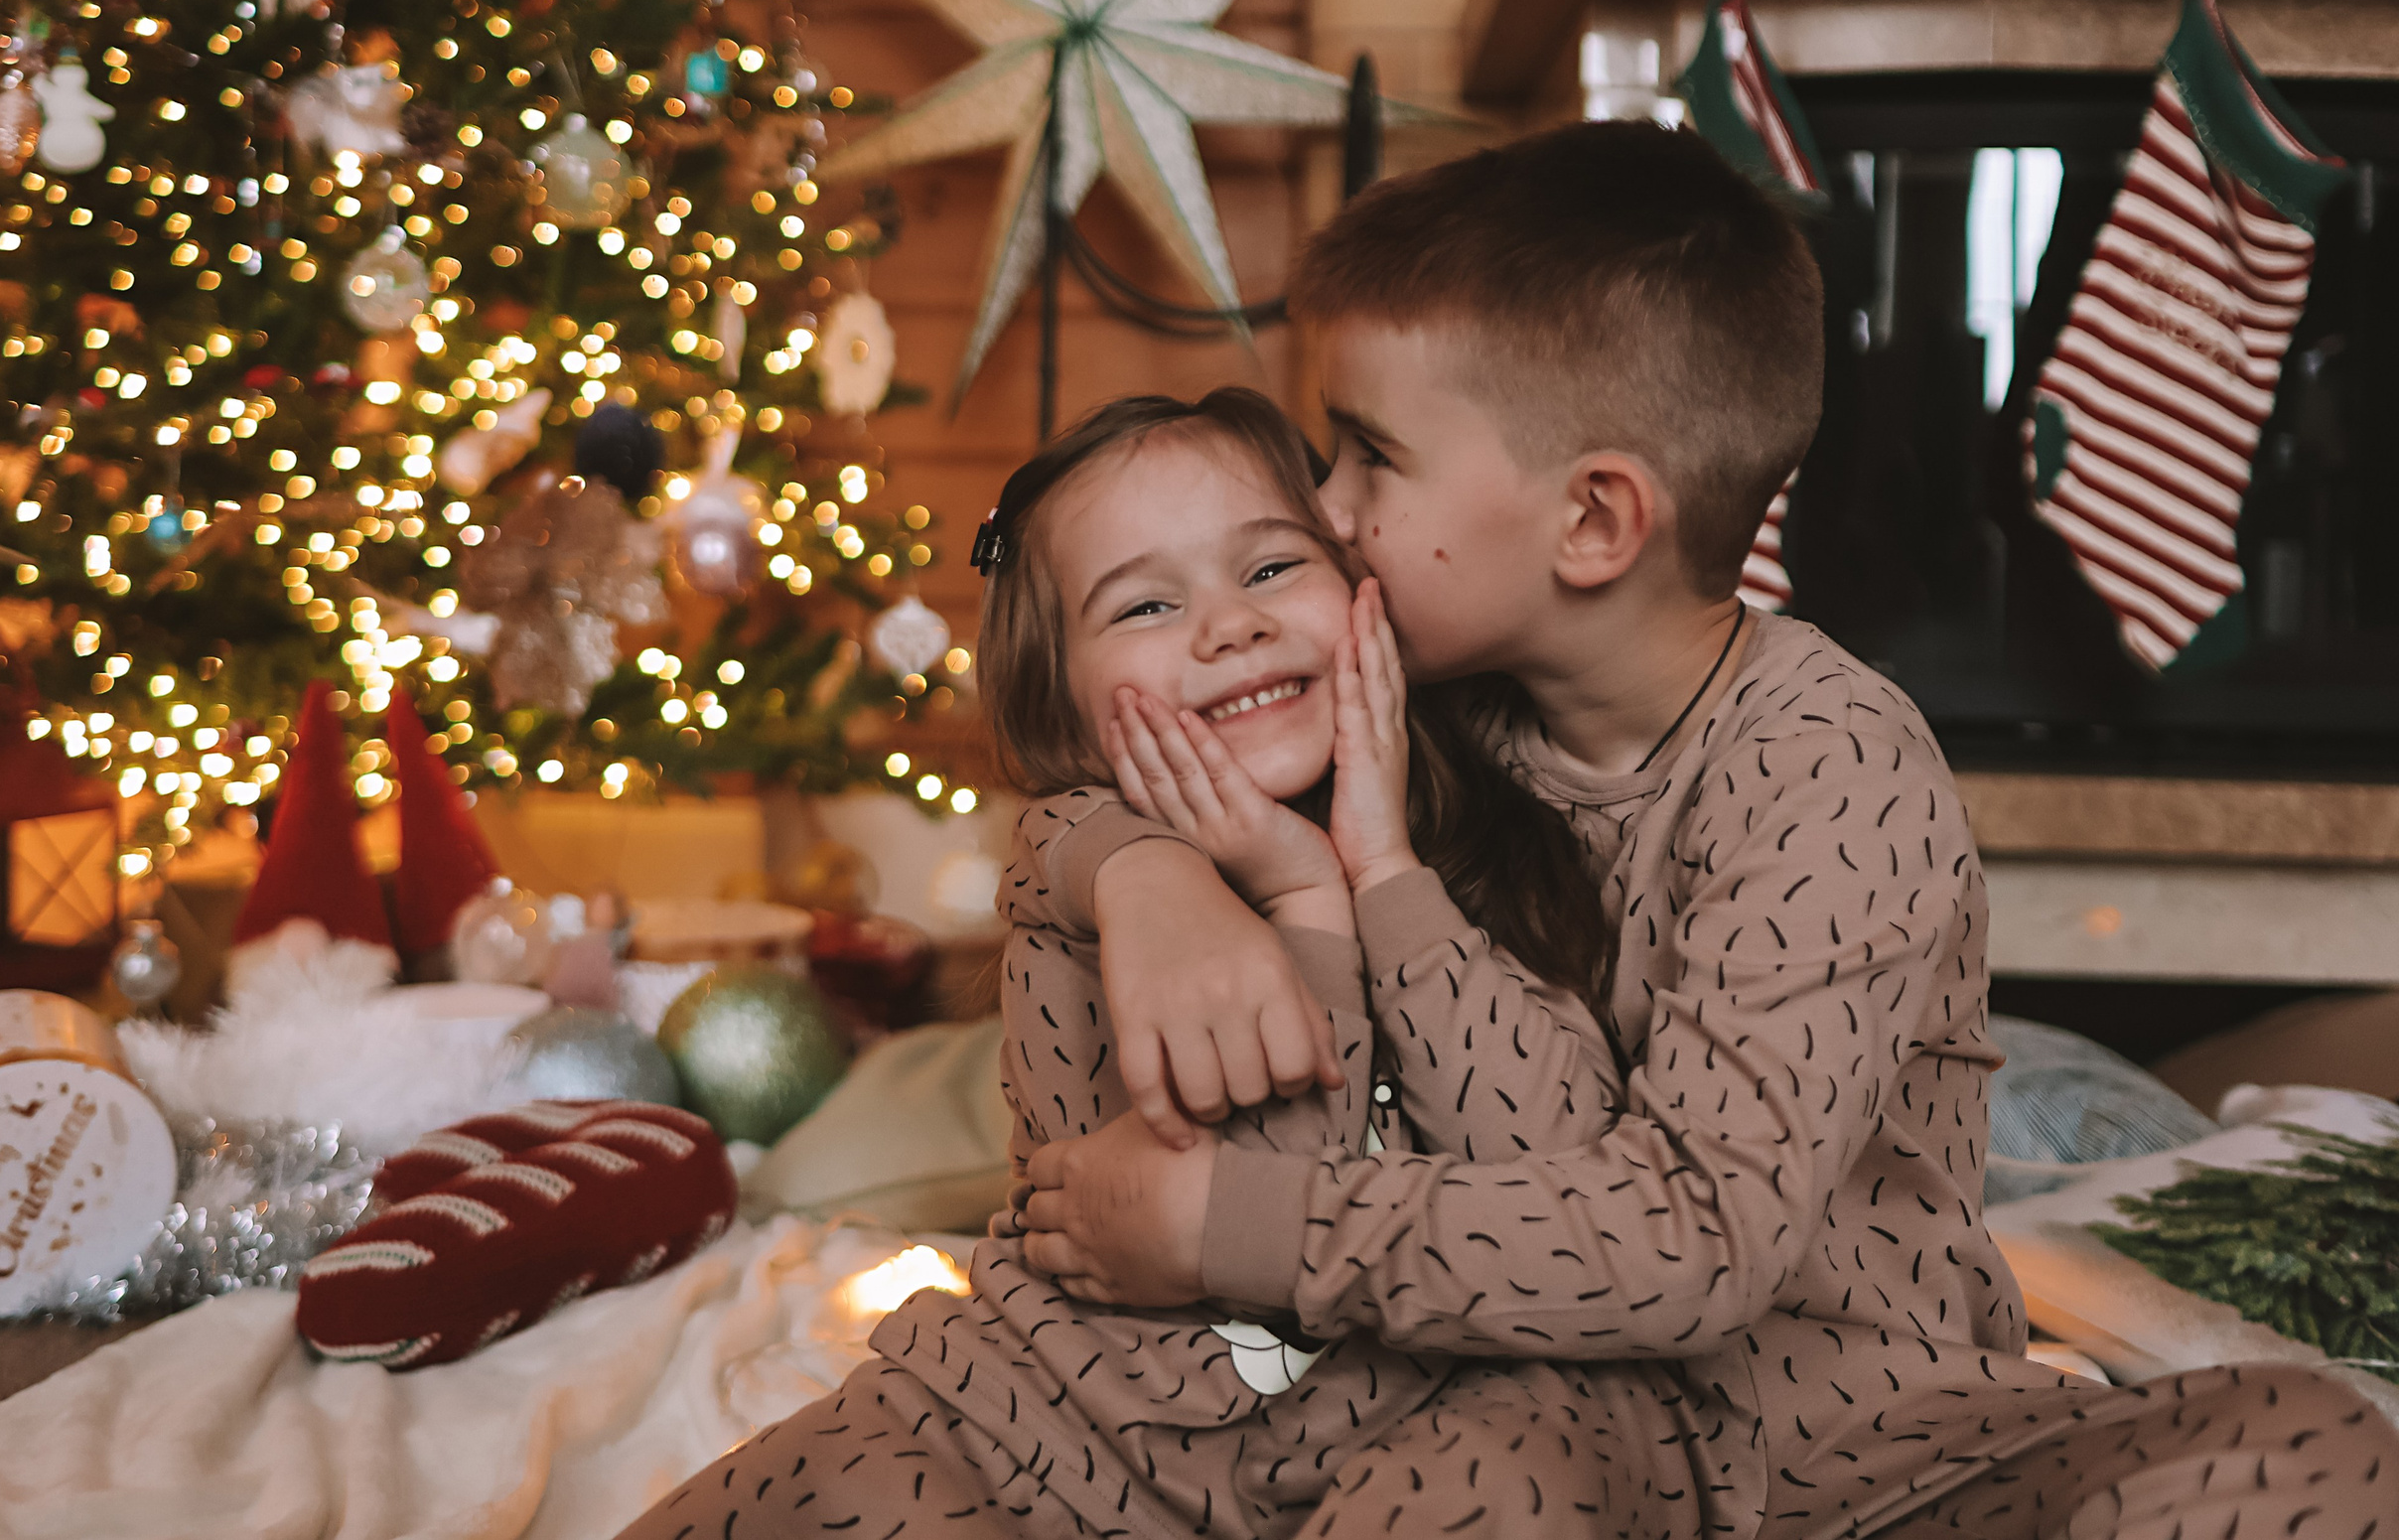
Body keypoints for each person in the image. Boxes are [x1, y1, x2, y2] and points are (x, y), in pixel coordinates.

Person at [1015, 122, 2397, 1539]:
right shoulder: (1416, 702)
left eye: (1370, 455)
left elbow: (1692, 1240)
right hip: (1522, 1419)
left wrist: (1225, 1226)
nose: (1324, 506)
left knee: (2313, 1442)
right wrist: (1141, 873)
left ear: (1596, 521)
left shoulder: (1829, 763)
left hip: (1867, 1447)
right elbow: (1131, 754)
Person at [613, 387, 1625, 1540]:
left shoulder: (1490, 848)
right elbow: (1269, 1151)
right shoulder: (1076, 873)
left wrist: (1372, 870)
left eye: (1271, 568)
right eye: (1147, 602)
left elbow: (1564, 1169)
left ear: (1365, 592)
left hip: (1383, 1445)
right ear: (1069, 712)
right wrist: (1285, 887)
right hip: (1048, 1428)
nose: (1228, 626)